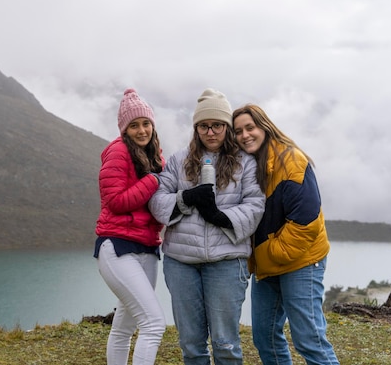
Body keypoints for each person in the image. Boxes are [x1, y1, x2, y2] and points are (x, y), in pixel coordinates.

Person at [148, 88, 265, 365]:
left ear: (226, 127)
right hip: (181, 262)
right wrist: (186, 198)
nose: (210, 132)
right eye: (203, 126)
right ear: (196, 128)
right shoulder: (178, 162)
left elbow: (255, 204)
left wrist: (220, 217)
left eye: (217, 126)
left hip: (226, 261)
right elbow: (156, 201)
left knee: (226, 344)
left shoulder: (245, 163)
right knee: (191, 344)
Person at [232, 104, 340, 365]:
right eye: (238, 131)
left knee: (309, 340)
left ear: (265, 127)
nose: (245, 135)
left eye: (250, 127)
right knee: (265, 338)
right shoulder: (248, 166)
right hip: (268, 265)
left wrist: (272, 253)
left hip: (300, 261)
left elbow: (307, 219)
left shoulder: (290, 160)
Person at [94, 88, 166, 365]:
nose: (142, 130)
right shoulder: (118, 152)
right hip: (117, 246)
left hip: (147, 248)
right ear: (124, 129)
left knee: (124, 327)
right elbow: (115, 201)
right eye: (134, 125)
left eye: (146, 123)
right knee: (153, 323)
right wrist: (153, 181)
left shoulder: (156, 156)